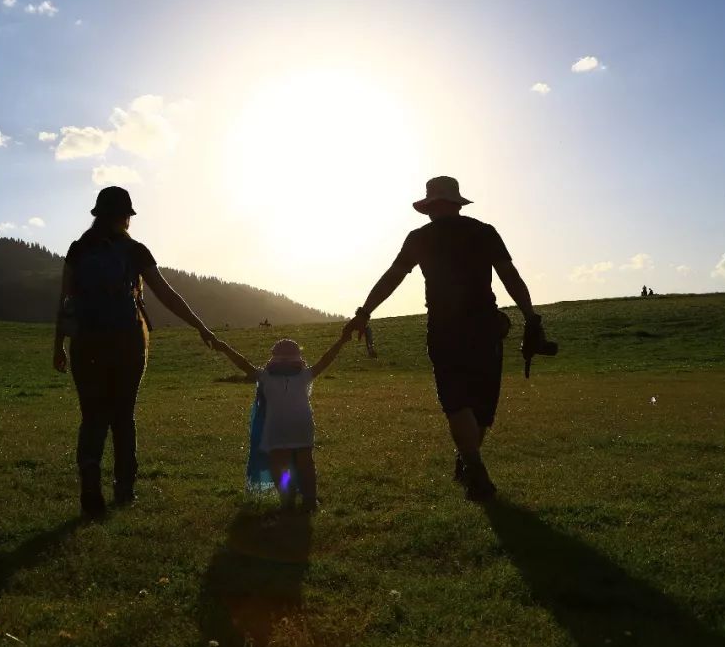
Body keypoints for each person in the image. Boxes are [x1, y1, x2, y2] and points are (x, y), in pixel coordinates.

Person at [345, 176, 547, 501]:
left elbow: (393, 277)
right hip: (486, 327)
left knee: (457, 402)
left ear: (429, 208)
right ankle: (471, 465)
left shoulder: (420, 238)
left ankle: (471, 465)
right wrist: (530, 316)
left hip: (445, 328)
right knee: (480, 406)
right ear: (456, 204)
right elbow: (510, 275)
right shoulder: (485, 232)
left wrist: (364, 312)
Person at [53, 186, 217, 519]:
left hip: (86, 343)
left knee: (93, 416)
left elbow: (65, 302)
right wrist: (200, 326)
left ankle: (89, 484)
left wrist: (58, 345)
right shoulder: (135, 251)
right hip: (127, 342)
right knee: (123, 417)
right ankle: (124, 489)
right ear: (126, 217)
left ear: (97, 215)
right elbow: (166, 295)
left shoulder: (78, 250)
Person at [211, 329, 352, 512]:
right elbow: (325, 360)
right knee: (306, 464)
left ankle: (288, 497)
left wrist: (224, 348)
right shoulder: (304, 375)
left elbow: (242, 364)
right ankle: (310, 500)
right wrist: (341, 341)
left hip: (276, 428)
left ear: (273, 359)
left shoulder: (265, 377)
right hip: (302, 425)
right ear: (298, 358)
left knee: (282, 466)